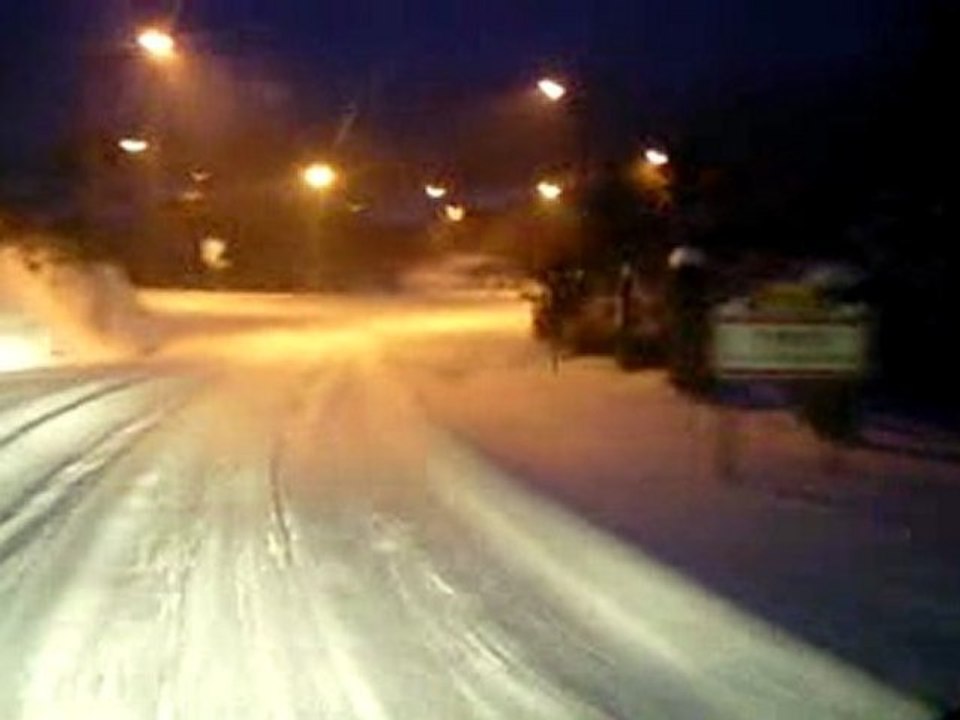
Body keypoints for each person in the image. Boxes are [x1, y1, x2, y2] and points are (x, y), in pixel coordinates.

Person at [666, 246, 710, 393]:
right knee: (692, 346)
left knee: (684, 345)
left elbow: (672, 294)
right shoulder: (697, 279)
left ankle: (683, 376)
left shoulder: (678, 277)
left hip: (683, 314)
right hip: (693, 314)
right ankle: (691, 376)